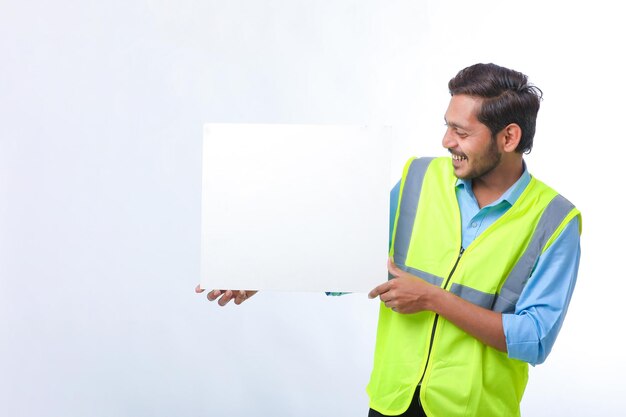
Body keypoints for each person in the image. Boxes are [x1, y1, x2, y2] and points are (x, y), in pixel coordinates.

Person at [196, 63, 582, 417]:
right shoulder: (419, 177)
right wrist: (263, 273)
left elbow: (534, 339)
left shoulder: (555, 220)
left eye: (461, 132)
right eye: (447, 125)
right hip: (391, 403)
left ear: (508, 137)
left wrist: (432, 298)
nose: (446, 141)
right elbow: (352, 256)